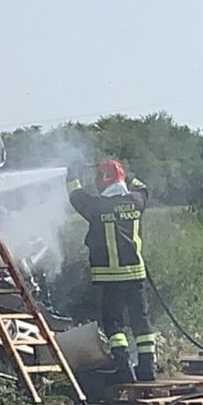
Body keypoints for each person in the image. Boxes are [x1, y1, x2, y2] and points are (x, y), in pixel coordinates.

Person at [67, 159, 156, 382]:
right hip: (135, 274)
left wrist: (72, 174)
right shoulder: (136, 201)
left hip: (108, 277)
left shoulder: (97, 207)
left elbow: (76, 197)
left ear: (102, 181)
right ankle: (147, 368)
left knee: (113, 323)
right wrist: (130, 175)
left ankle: (123, 366)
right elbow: (144, 189)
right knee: (141, 320)